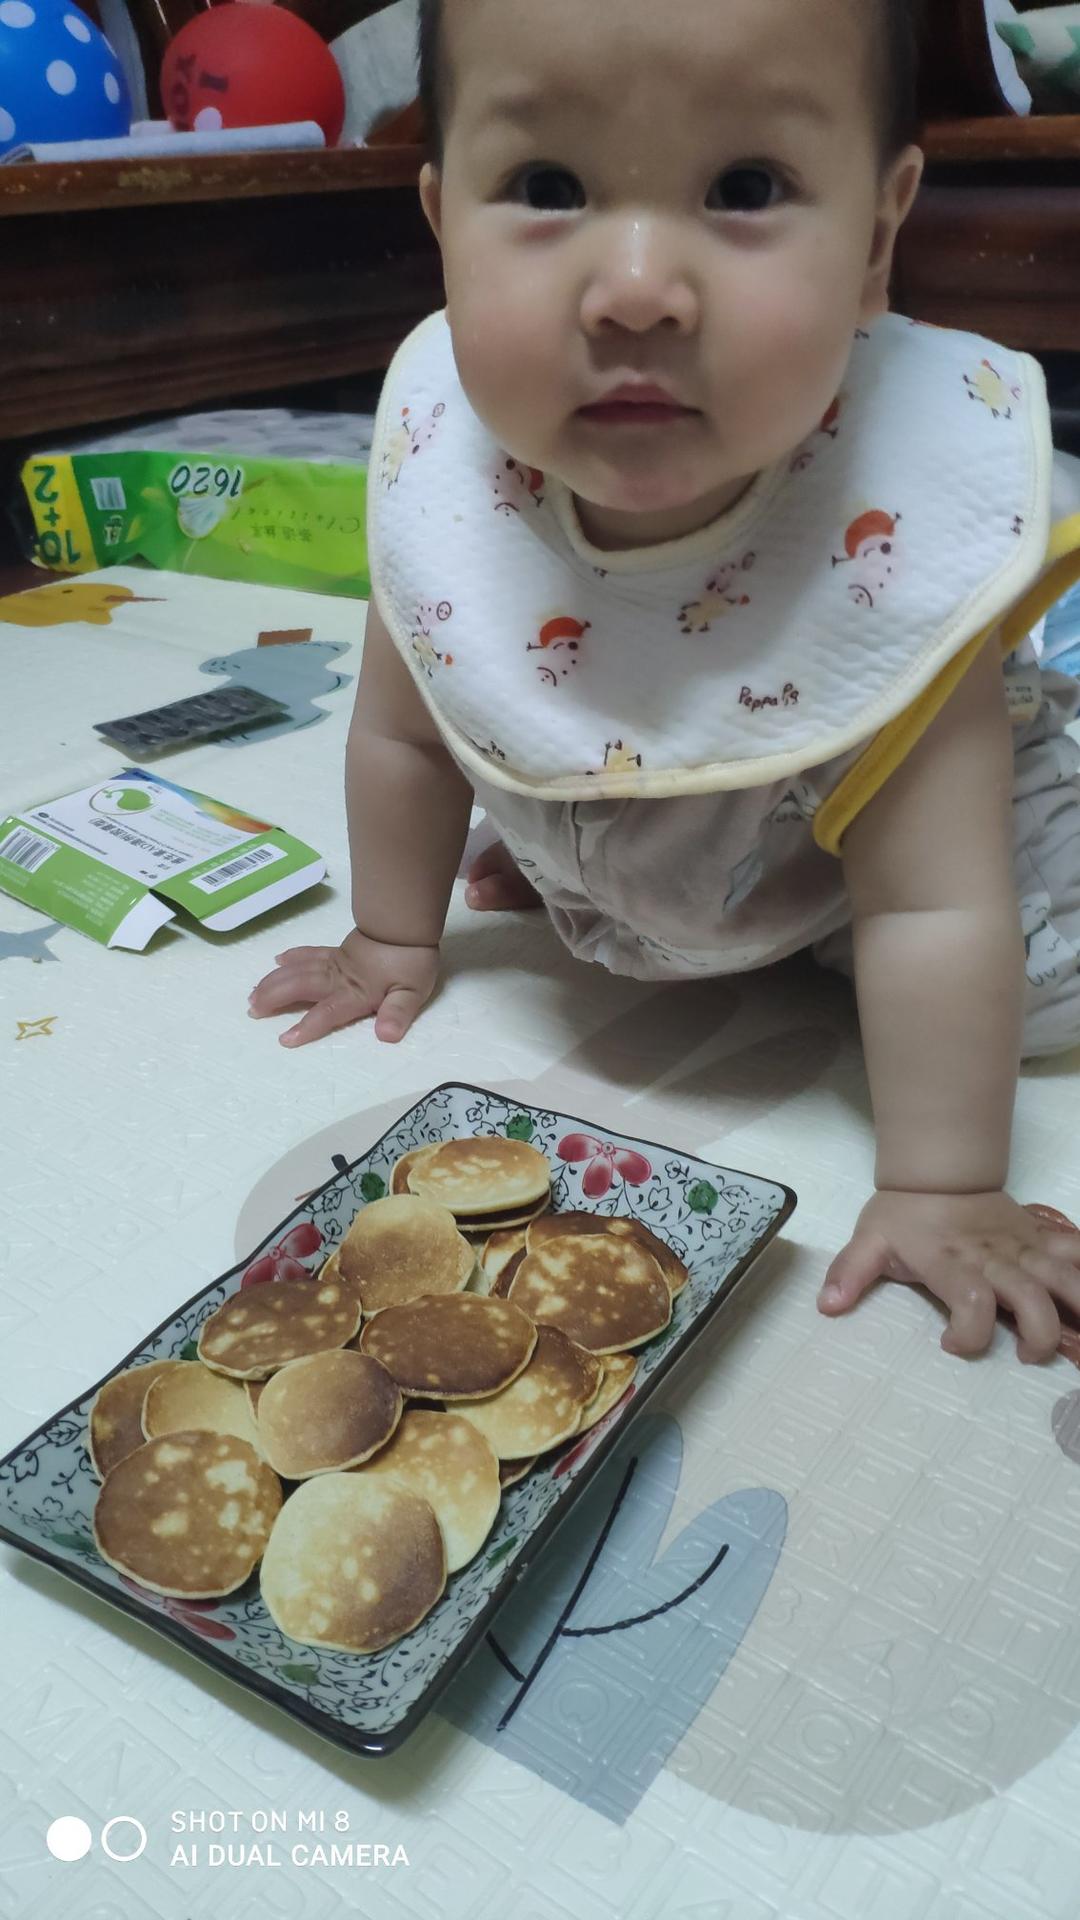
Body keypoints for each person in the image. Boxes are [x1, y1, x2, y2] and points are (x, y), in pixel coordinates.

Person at [250, 0, 1080, 1361]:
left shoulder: (889, 534)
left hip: (925, 851)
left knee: (1035, 978)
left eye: (744, 188)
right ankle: (625, 836)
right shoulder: (448, 471)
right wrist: (394, 939)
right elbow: (408, 735)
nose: (635, 286)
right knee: (535, 761)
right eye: (547, 188)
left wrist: (944, 1185)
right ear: (442, 222)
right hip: (690, 832)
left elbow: (938, 903)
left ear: (877, 238)